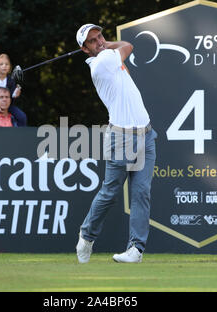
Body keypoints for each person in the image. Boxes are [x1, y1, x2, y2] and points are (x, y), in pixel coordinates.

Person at [75, 24, 157, 263]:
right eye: (92, 41)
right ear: (84, 49)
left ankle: (136, 249)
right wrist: (108, 45)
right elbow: (128, 46)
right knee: (110, 192)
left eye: (99, 36)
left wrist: (103, 45)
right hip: (121, 137)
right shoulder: (101, 63)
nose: (99, 41)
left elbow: (123, 54)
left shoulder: (108, 58)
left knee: (141, 193)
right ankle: (86, 236)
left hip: (146, 135)